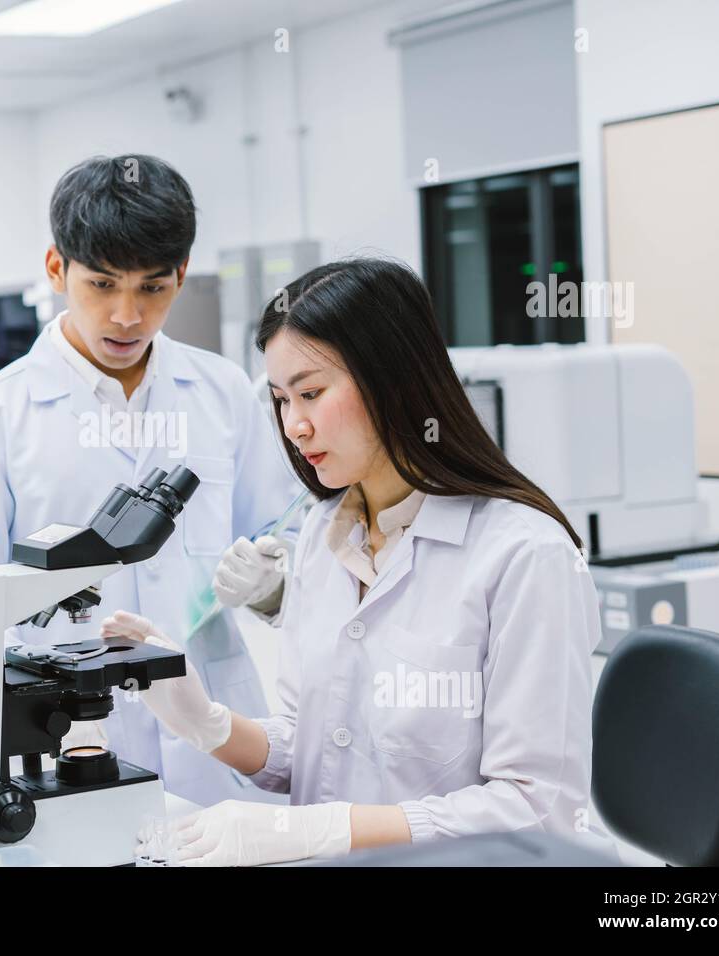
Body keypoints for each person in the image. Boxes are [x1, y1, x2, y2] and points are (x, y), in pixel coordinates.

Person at [102, 257, 604, 865]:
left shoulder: (525, 556)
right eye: (282, 401)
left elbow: (535, 810)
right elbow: (307, 743)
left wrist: (325, 830)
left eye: (311, 393)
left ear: (394, 380)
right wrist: (205, 721)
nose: (295, 426)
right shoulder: (322, 533)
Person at [0, 154, 299, 806]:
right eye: (102, 285)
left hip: (214, 725)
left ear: (182, 275)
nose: (127, 315)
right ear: (55, 269)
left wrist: (273, 586)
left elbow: (278, 531)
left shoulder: (225, 394)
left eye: (152, 288)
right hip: (70, 727)